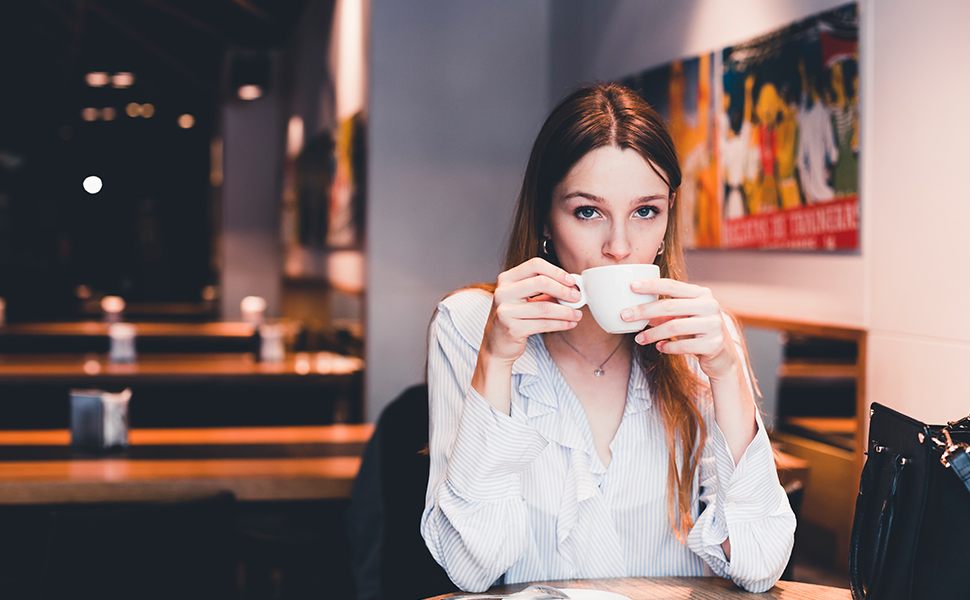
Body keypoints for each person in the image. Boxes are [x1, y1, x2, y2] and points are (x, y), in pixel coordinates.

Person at [420, 83, 796, 594]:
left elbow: (759, 564)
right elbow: (471, 566)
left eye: (645, 212)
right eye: (587, 211)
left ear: (666, 223)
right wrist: (496, 361)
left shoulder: (701, 337)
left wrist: (727, 374)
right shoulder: (470, 326)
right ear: (546, 220)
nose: (620, 247)